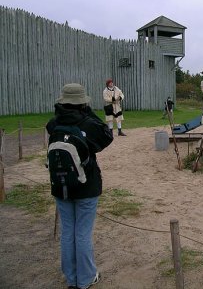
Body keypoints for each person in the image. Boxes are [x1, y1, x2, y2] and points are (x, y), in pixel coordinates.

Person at [46, 83, 113, 289]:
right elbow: (106, 135)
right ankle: (85, 279)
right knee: (82, 233)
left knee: (68, 232)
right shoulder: (87, 124)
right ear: (83, 102)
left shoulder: (53, 124)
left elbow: (52, 127)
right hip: (86, 186)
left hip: (61, 186)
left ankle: (72, 278)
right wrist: (89, 112)